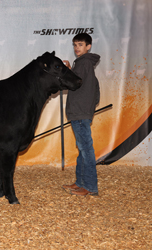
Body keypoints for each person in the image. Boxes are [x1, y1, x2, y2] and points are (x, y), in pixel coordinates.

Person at [62, 33, 100, 196]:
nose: (77, 48)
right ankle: (80, 183)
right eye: (75, 45)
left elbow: (74, 84)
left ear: (88, 46)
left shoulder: (84, 63)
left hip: (79, 111)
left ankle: (90, 187)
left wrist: (64, 72)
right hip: (81, 110)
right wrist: (71, 70)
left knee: (86, 149)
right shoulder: (84, 64)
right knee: (83, 149)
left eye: (80, 44)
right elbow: (90, 87)